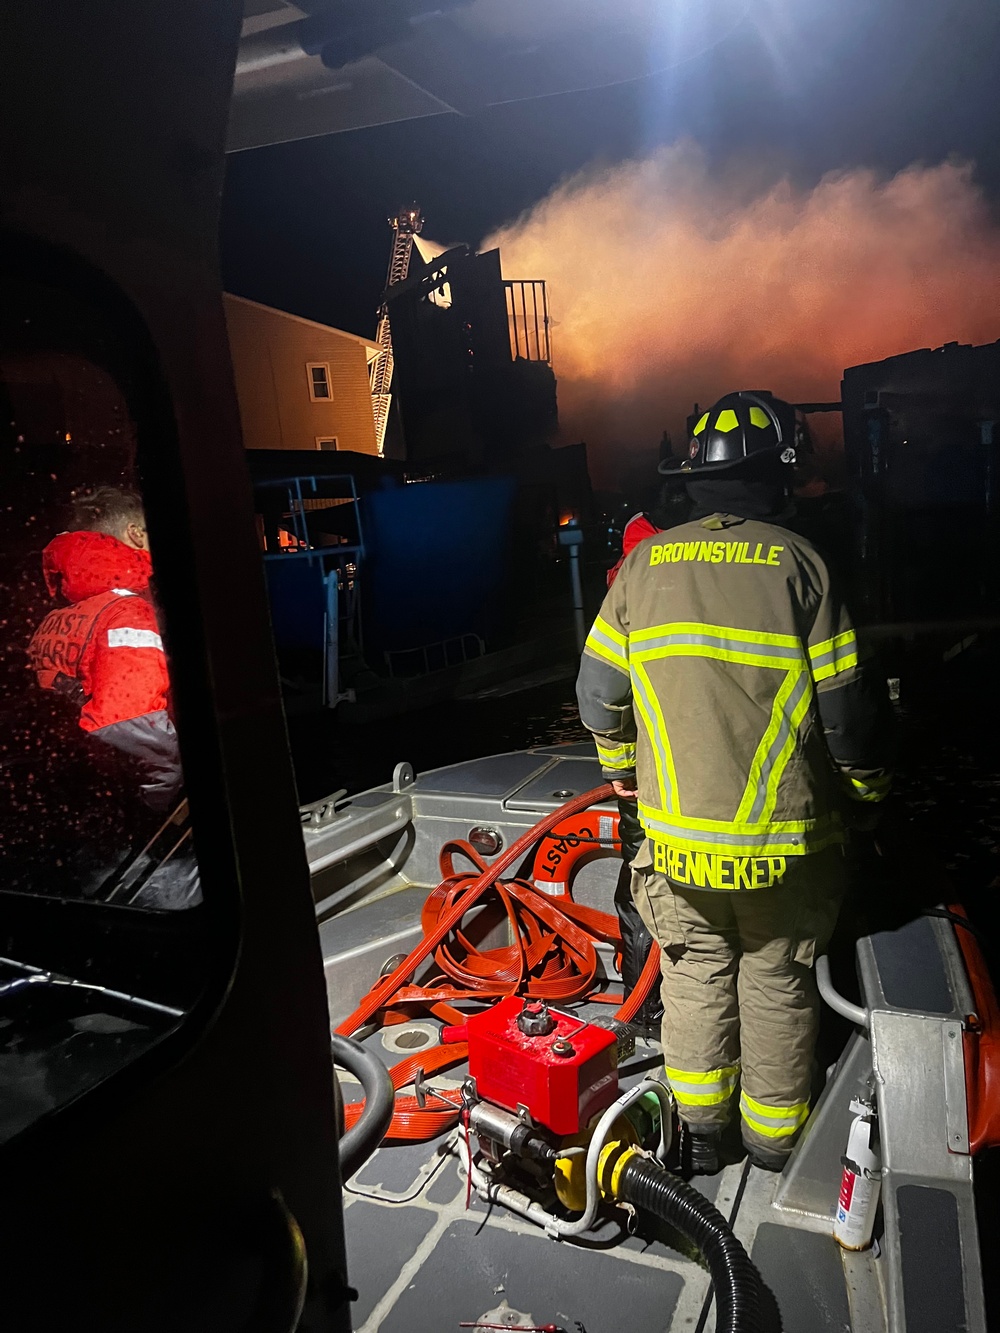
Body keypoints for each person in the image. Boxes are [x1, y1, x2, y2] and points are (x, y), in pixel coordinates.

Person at [577, 391, 893, 1173]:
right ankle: (778, 1144)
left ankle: (702, 1141)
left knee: (694, 977)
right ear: (781, 474)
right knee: (778, 984)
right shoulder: (802, 568)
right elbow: (851, 722)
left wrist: (621, 773)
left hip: (677, 848)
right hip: (785, 850)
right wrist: (867, 796)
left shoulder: (643, 567)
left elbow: (596, 696)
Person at [28, 486, 200, 907]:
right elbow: (131, 724)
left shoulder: (60, 618)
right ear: (135, 535)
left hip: (87, 819)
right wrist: (168, 800)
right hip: (146, 841)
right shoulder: (127, 612)